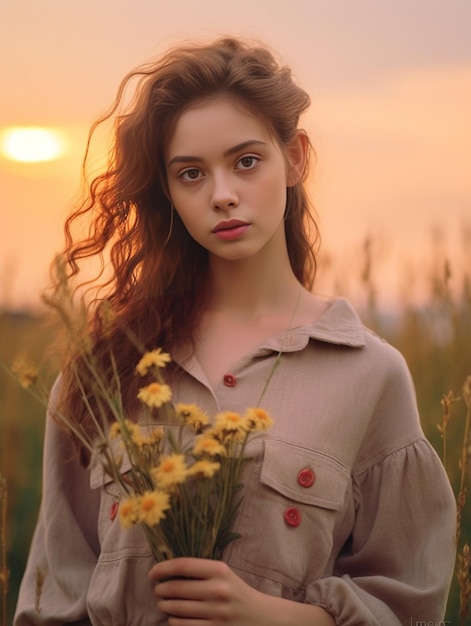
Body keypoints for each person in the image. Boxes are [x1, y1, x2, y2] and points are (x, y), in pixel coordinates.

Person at [14, 36, 456, 625]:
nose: (222, 195)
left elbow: (410, 606)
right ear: (168, 191)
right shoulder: (106, 367)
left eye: (246, 161)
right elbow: (52, 598)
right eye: (191, 173)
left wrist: (269, 615)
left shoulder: (369, 375)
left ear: (294, 157)